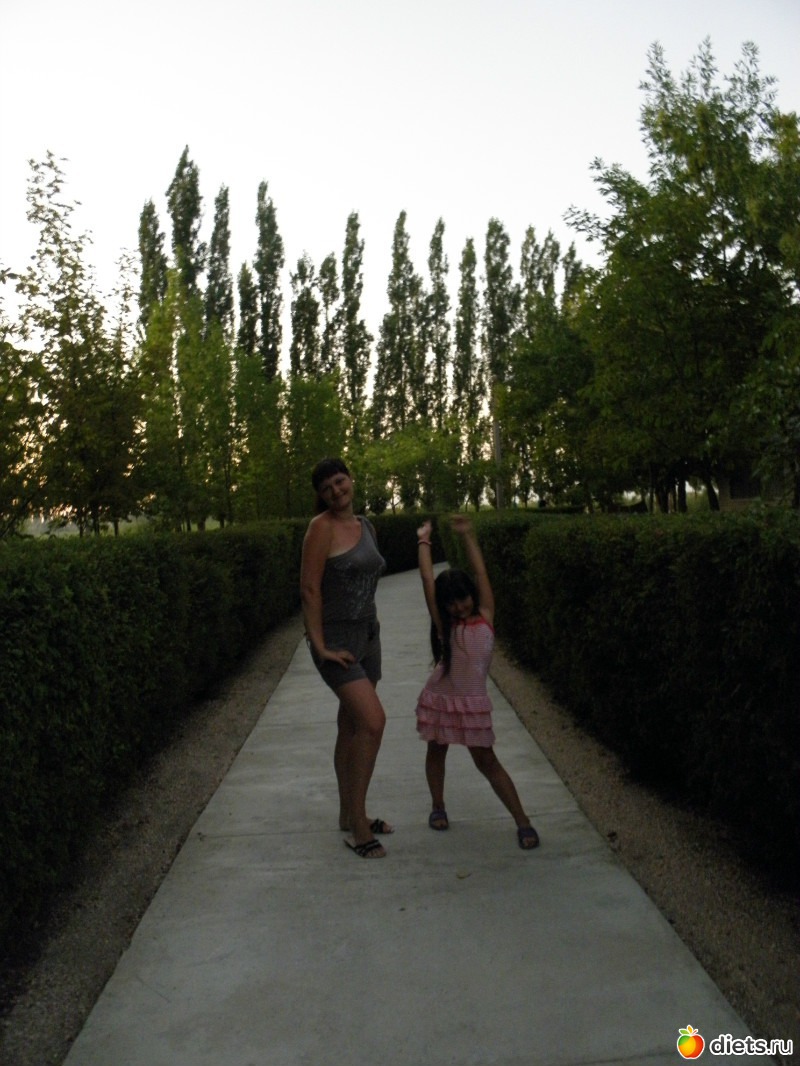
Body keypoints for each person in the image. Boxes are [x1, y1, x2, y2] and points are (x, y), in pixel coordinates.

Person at [414, 515, 540, 849]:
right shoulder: (445, 626)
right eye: (451, 602)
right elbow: (427, 580)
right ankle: (438, 805)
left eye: (463, 598)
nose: (459, 606)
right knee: (436, 751)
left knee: (487, 761)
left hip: (473, 705)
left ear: (472, 594)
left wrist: (468, 535)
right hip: (441, 697)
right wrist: (424, 540)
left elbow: (481, 572)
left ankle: (522, 820)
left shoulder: (485, 615)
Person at [300, 458, 392, 859]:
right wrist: (319, 645)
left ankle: (348, 812)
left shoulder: (366, 526)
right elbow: (309, 589)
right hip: (337, 643)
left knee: (351, 726)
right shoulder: (320, 528)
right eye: (327, 489)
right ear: (321, 496)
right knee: (373, 722)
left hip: (368, 636)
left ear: (350, 479)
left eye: (340, 482)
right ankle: (359, 826)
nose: (336, 492)